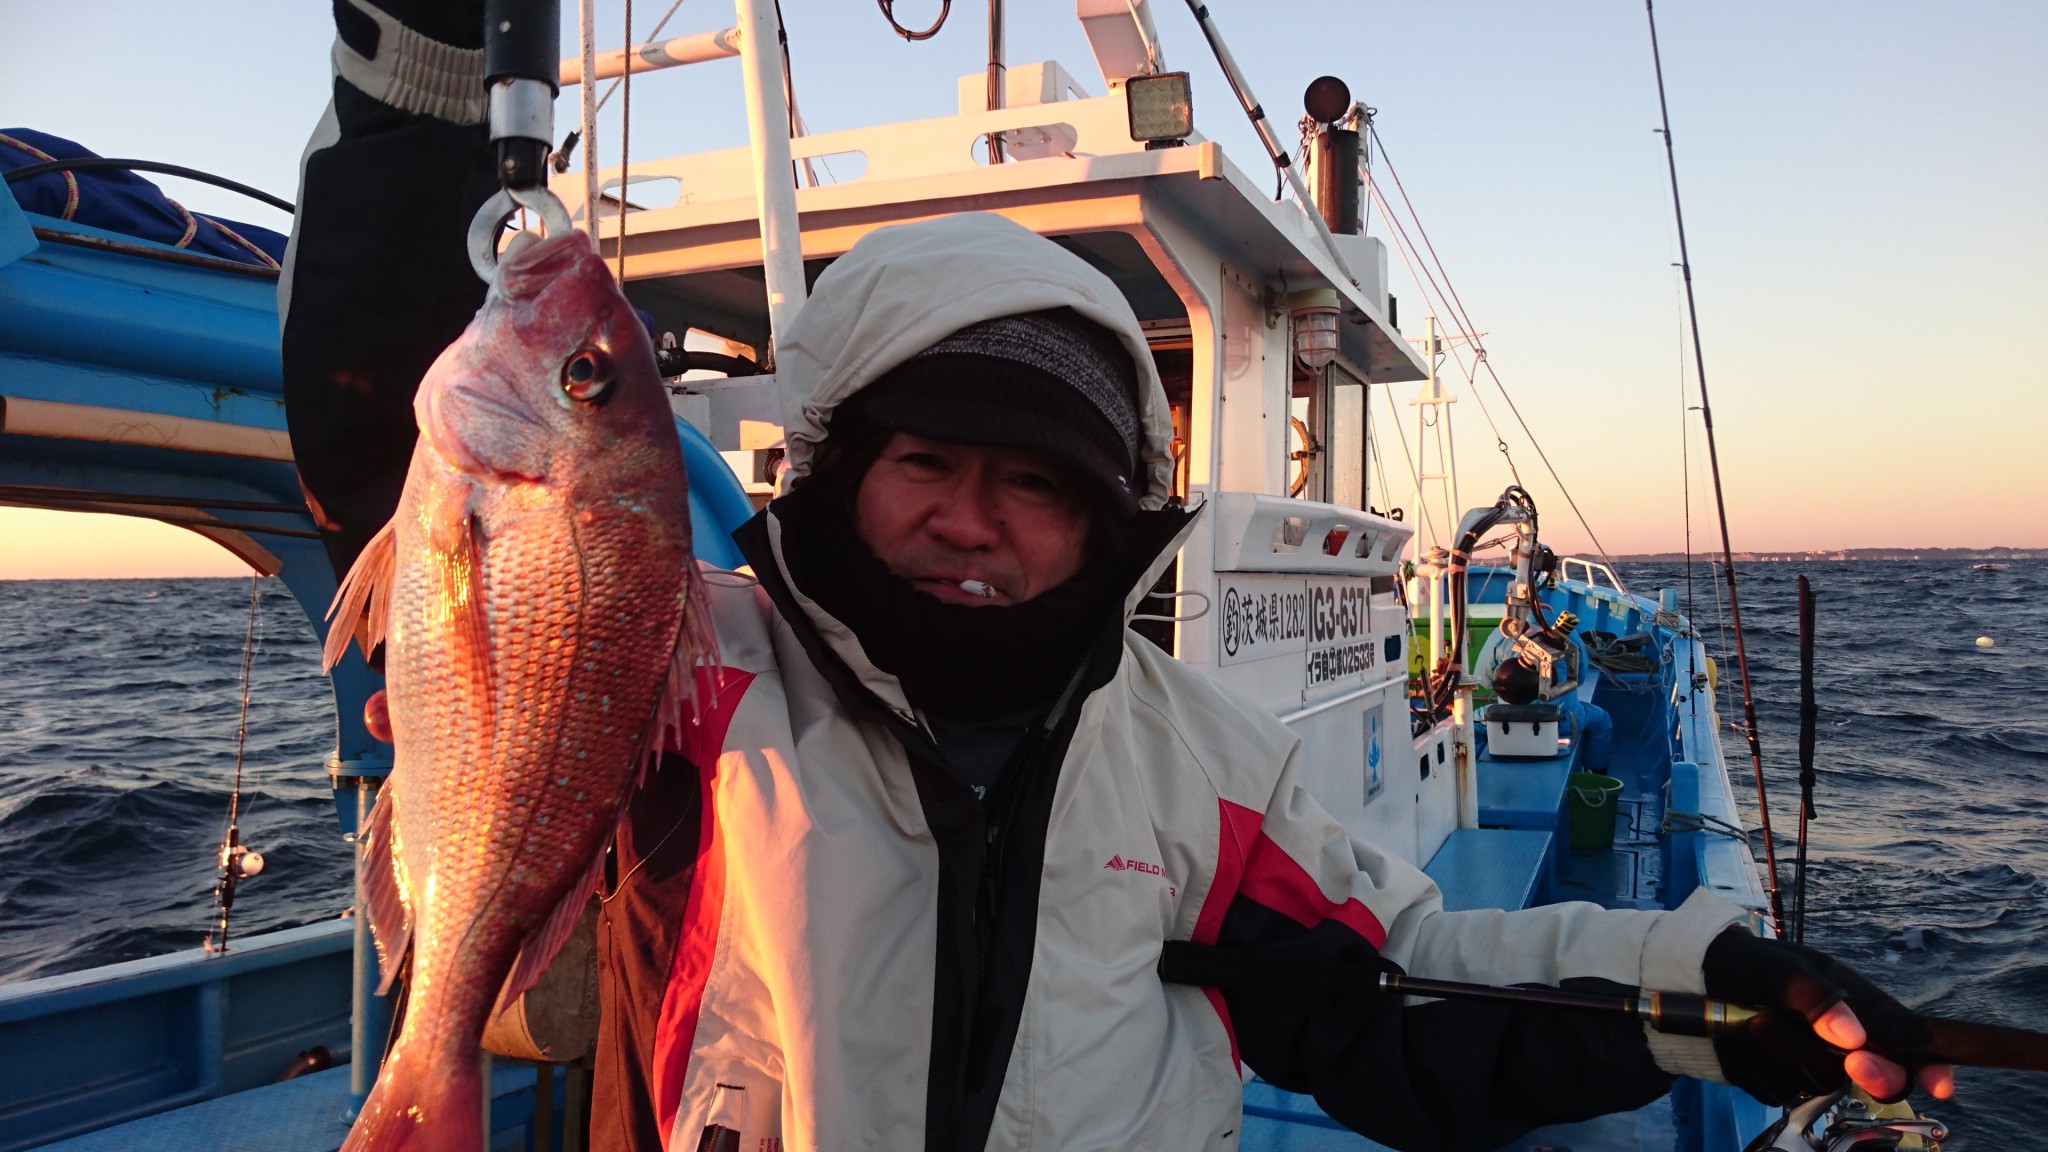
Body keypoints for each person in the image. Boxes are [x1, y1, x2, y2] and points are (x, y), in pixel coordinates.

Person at [281, 4, 1953, 1150]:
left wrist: (1707, 999)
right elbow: (383, 453)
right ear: (843, 472)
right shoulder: (701, 670)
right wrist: (421, 81)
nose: (973, 521)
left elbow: (1409, 985)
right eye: (926, 464)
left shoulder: (1202, 761)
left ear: (1108, 522)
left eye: (1038, 486)